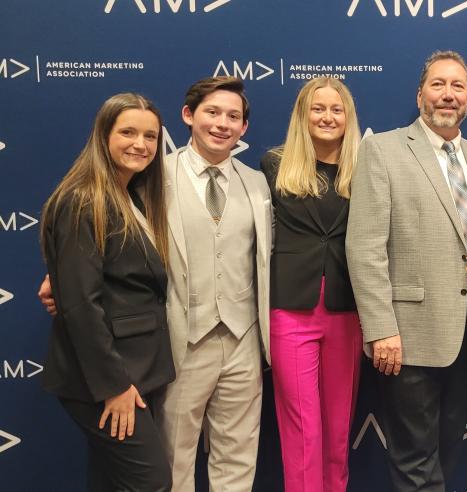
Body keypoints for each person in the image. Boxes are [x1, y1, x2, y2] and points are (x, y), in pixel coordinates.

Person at [37, 77, 273, 490]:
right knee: (170, 462)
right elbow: (95, 241)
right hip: (180, 341)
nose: (222, 123)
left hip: (244, 341)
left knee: (238, 460)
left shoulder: (257, 182)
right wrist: (59, 277)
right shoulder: (151, 174)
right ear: (188, 117)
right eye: (212, 112)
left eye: (233, 116)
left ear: (244, 128)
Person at [346, 50, 467, 492]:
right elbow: (364, 245)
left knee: (447, 450)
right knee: (414, 461)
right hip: (406, 335)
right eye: (439, 85)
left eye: (458, 86)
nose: (449, 95)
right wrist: (381, 328)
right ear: (420, 94)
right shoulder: (383, 150)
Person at [40, 93, 174, 491]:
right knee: (151, 482)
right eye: (128, 132)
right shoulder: (84, 199)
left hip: (136, 370)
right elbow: (82, 305)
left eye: (150, 136)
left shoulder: (131, 197)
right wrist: (113, 386)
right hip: (105, 380)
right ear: (103, 135)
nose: (141, 144)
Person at [259, 77, 362, 492]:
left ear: (348, 117)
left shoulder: (365, 168)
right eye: (317, 109)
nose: (327, 117)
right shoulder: (273, 165)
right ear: (302, 115)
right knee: (303, 430)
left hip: (347, 311)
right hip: (291, 310)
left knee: (338, 430)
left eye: (336, 110)